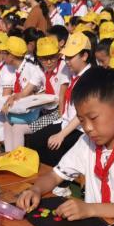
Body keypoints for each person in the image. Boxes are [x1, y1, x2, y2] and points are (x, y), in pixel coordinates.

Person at [17, 66, 114, 221]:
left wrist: (91, 209)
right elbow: (55, 176)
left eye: (93, 118)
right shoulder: (87, 143)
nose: (87, 127)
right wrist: (36, 189)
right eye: (81, 120)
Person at [24, 32, 93, 166]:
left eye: (71, 57)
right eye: (66, 57)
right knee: (35, 140)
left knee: (52, 147)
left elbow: (82, 114)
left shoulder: (89, 78)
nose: (66, 61)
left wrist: (61, 134)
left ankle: (61, 184)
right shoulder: (74, 74)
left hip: (79, 129)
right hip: (65, 122)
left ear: (84, 56)